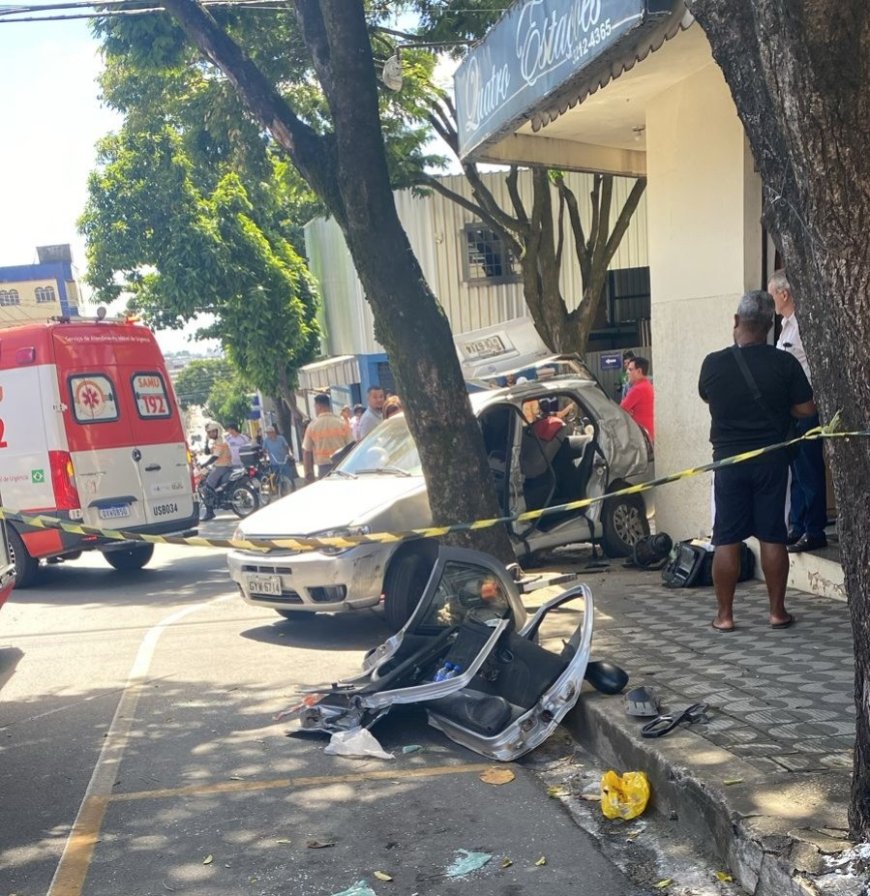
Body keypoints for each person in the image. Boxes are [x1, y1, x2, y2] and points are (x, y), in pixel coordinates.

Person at [698, 290, 815, 633]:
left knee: (727, 538)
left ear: (736, 322)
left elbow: (707, 396)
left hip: (728, 463)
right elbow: (807, 409)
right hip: (772, 462)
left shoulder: (714, 363)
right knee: (773, 535)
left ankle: (725, 615)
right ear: (769, 325)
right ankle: (777, 612)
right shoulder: (784, 363)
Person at [768, 270, 828, 553]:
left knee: (809, 468)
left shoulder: (803, 324)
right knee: (797, 470)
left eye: (772, 295)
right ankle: (798, 526)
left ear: (784, 293)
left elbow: (813, 367)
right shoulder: (785, 325)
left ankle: (814, 529)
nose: (771, 301)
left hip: (806, 409)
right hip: (789, 411)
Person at [302, 393, 353, 481]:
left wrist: (308, 473)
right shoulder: (341, 423)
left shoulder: (312, 426)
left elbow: (307, 452)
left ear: (318, 406)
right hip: (342, 467)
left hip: (323, 469)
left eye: (314, 407)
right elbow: (351, 446)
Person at [200, 423, 233, 520]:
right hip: (222, 466)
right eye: (209, 432)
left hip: (221, 466)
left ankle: (210, 513)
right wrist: (206, 441)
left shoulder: (220, 442)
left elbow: (215, 456)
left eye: (212, 431)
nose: (210, 434)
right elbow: (207, 452)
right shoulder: (216, 442)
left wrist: (205, 464)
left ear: (217, 431)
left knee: (207, 487)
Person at [620, 356, 655, 441]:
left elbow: (620, 411)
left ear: (639, 371)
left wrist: (628, 412)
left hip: (640, 438)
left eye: (630, 369)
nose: (627, 372)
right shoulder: (647, 385)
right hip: (647, 435)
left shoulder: (637, 389)